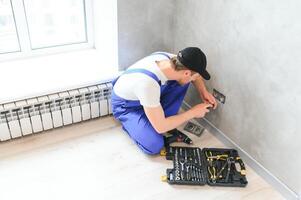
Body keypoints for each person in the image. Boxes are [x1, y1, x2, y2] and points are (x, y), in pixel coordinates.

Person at [111, 47, 217, 155]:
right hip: (127, 106)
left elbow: (193, 74)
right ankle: (131, 123)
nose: (196, 78)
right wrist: (193, 112)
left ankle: (153, 115)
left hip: (145, 94)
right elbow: (161, 127)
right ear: (186, 73)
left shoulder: (173, 60)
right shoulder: (148, 84)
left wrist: (203, 91)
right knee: (154, 144)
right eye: (195, 76)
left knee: (182, 82)